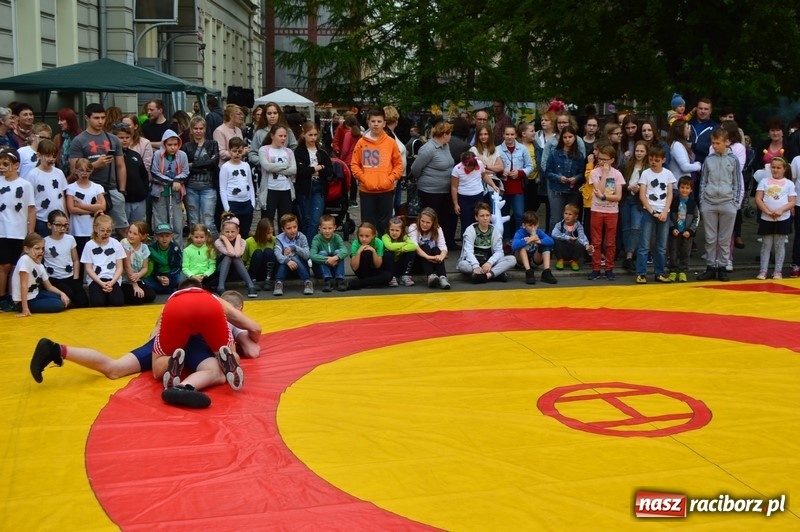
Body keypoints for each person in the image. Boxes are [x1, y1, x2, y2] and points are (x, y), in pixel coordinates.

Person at [154, 280, 248, 391]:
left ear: (179, 290)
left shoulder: (173, 298)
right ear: (201, 288)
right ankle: (227, 358)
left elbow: (158, 326)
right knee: (230, 352)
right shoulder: (211, 297)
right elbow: (253, 327)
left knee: (157, 366)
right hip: (210, 306)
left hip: (177, 308)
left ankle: (170, 361)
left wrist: (154, 343)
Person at [68, 103, 128, 238]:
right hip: (88, 189)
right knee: (91, 230)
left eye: (103, 117)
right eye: (96, 118)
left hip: (111, 188)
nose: (100, 121)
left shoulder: (113, 139)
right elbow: (74, 170)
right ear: (87, 118)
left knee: (122, 229)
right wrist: (95, 164)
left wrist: (122, 190)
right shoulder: (79, 140)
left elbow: (121, 165)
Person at [696, 129, 742, 282]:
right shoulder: (709, 160)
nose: (714, 146)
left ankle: (722, 267)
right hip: (709, 202)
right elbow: (703, 181)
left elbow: (737, 182)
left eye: (718, 143)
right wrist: (702, 201)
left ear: (726, 142)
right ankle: (710, 267)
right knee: (710, 238)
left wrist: (735, 203)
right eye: (713, 143)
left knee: (724, 238)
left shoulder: (733, 160)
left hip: (727, 202)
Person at [352, 108, 404, 237]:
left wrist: (390, 179)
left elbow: (398, 165)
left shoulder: (391, 143)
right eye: (373, 121)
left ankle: (383, 248)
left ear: (384, 123)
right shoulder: (361, 143)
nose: (376, 124)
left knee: (385, 225)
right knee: (368, 225)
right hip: (367, 190)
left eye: (379, 121)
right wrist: (364, 179)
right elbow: (355, 164)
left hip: (386, 190)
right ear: (368, 123)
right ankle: (368, 248)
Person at [0, 147, 36, 311]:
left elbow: (31, 209)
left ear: (16, 165)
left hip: (19, 231)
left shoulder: (25, 185)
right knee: (4, 266)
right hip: (2, 231)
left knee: (16, 266)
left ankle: (13, 297)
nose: (1, 167)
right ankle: (2, 297)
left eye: (5, 164)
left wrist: (30, 232)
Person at [635, 145, 676, 284]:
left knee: (662, 246)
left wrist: (664, 212)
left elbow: (670, 195)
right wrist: (652, 211)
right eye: (651, 159)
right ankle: (641, 273)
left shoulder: (668, 174)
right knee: (644, 245)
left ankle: (659, 272)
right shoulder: (645, 174)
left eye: (657, 160)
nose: (653, 162)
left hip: (664, 212)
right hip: (649, 212)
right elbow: (642, 196)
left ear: (663, 160)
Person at [587, 143, 624, 281]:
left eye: (605, 159)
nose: (602, 162)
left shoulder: (617, 174)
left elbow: (618, 196)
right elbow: (599, 190)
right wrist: (605, 174)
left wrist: (604, 197)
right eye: (600, 159)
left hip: (612, 212)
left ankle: (609, 268)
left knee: (610, 242)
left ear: (612, 160)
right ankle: (596, 268)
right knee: (596, 241)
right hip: (597, 209)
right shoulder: (594, 173)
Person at [755, 156, 796, 280]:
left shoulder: (789, 183)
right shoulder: (764, 181)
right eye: (773, 167)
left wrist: (781, 210)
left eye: (778, 168)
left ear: (784, 169)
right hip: (766, 218)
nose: (775, 170)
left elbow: (792, 201)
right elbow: (758, 198)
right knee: (766, 245)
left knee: (779, 245)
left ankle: (778, 271)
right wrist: (767, 211)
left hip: (782, 218)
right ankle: (763, 270)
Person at [10, 232, 70, 315]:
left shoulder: (40, 265)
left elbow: (49, 286)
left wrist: (62, 293)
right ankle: (22, 307)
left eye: (42, 248)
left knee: (62, 298)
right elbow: (24, 285)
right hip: (26, 300)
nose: (41, 251)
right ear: (26, 249)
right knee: (58, 304)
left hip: (36, 295)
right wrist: (25, 309)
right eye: (37, 248)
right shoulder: (25, 260)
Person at [457, 202, 517, 283]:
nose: (485, 218)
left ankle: (487, 275)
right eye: (482, 216)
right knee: (463, 265)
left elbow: (499, 252)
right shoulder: (470, 230)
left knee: (512, 259)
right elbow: (468, 251)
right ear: (476, 217)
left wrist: (489, 263)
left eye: (487, 215)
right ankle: (496, 274)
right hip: (473, 263)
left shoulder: (495, 231)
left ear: (491, 217)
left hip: (490, 263)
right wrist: (476, 266)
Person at [294, 121, 333, 241]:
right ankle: (304, 245)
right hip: (304, 188)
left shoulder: (322, 151)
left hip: (319, 187)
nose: (313, 138)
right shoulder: (299, 151)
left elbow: (329, 170)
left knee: (315, 220)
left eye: (315, 135)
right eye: (310, 135)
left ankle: (310, 246)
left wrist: (314, 171)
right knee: (305, 218)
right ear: (304, 135)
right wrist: (317, 167)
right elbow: (301, 171)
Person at [150, 130, 188, 246]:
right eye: (169, 144)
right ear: (164, 144)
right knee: (160, 223)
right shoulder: (157, 154)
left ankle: (177, 249)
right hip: (160, 193)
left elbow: (185, 172)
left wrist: (177, 180)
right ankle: (160, 248)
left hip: (176, 194)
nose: (173, 147)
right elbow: (154, 172)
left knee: (177, 224)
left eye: (175, 144)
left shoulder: (182, 155)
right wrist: (172, 181)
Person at [182, 116, 220, 235]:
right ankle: (194, 245)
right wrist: (205, 164)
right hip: (191, 188)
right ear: (191, 130)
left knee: (208, 222)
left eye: (201, 128)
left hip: (208, 188)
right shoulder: (186, 146)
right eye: (195, 128)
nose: (198, 131)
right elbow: (185, 167)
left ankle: (213, 246)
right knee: (193, 222)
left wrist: (194, 164)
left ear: (205, 129)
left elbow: (214, 163)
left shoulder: (212, 144)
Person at [43, 209, 88, 308]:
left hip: (69, 276)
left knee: (83, 302)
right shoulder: (45, 242)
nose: (62, 228)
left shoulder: (70, 239)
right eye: (58, 225)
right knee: (69, 293)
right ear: (50, 225)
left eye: (65, 225)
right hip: (54, 278)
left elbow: (75, 260)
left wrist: (76, 277)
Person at [65, 157, 106, 265]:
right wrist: (92, 210)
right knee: (79, 257)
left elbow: (102, 206)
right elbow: (72, 209)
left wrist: (81, 206)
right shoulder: (71, 188)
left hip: (92, 228)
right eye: (81, 170)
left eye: (87, 171)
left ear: (91, 171)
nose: (84, 173)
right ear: (75, 171)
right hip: (77, 229)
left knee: (94, 257)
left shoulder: (97, 187)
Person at [544, 125, 585, 230]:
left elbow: (582, 173)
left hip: (573, 191)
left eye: (570, 137)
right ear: (561, 138)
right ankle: (553, 240)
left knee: (571, 219)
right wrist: (558, 178)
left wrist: (576, 178)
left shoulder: (579, 155)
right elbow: (548, 172)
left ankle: (569, 239)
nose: (567, 139)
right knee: (556, 219)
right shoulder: (554, 154)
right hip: (557, 190)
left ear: (575, 138)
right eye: (565, 137)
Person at [80, 213, 125, 306]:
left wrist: (112, 282)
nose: (105, 233)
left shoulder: (116, 243)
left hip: (112, 278)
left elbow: (120, 267)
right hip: (96, 279)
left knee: (118, 301)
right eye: (102, 230)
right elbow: (88, 268)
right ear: (96, 229)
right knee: (98, 302)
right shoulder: (89, 245)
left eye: (108, 231)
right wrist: (101, 283)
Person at [497, 124, 535, 235]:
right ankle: (505, 239)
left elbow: (530, 166)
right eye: (507, 134)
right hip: (502, 186)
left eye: (512, 134)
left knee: (519, 214)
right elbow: (493, 167)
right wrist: (501, 171)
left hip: (517, 186)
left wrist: (519, 173)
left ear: (516, 135)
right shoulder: (497, 149)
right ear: (503, 135)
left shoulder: (522, 149)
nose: (509, 137)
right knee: (503, 215)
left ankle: (519, 237)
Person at [25, 138, 67, 236]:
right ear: (39, 155)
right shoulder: (33, 174)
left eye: (54, 156)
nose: (51, 159)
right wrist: (31, 228)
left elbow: (62, 196)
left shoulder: (59, 173)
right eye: (48, 156)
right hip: (41, 219)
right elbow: (30, 201)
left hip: (59, 219)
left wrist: (66, 217)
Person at [257, 124, 296, 228]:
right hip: (270, 190)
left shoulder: (288, 151)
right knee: (267, 221)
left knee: (285, 221)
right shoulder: (264, 150)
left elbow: (293, 170)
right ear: (272, 136)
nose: (283, 138)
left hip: (286, 190)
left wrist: (275, 168)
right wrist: (285, 165)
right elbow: (267, 166)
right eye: (280, 136)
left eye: (285, 136)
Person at [111, 124, 149, 227]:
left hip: (139, 199)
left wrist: (144, 191)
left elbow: (144, 175)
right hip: (122, 199)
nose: (125, 140)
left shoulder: (135, 155)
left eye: (127, 137)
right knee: (122, 228)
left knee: (139, 227)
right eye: (121, 138)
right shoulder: (111, 156)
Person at [451, 152, 497, 238]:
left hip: (478, 196)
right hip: (464, 198)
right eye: (469, 167)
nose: (471, 169)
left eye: (473, 167)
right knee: (466, 222)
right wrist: (456, 204)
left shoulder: (480, 164)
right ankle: (466, 241)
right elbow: (454, 187)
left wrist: (493, 185)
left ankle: (480, 240)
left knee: (480, 219)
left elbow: (484, 175)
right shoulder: (457, 169)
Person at [620, 141, 648, 272]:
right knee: (626, 228)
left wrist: (640, 188)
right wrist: (628, 187)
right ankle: (628, 255)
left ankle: (630, 256)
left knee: (636, 227)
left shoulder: (648, 168)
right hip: (626, 198)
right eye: (637, 151)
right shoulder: (626, 165)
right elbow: (619, 182)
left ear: (646, 152)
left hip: (638, 200)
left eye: (642, 151)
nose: (639, 153)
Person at [219, 137, 256, 237]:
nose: (237, 154)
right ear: (229, 151)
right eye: (234, 151)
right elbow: (222, 188)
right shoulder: (226, 167)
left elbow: (250, 185)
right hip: (232, 203)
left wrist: (252, 204)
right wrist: (227, 208)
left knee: (245, 231)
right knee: (232, 232)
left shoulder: (246, 165)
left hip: (246, 203)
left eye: (240, 151)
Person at [215, 212, 258, 297]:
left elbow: (237, 254)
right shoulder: (218, 242)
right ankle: (220, 287)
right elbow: (231, 253)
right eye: (227, 232)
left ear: (238, 231)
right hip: (221, 271)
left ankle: (250, 285)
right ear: (222, 231)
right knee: (228, 257)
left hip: (236, 270)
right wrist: (224, 239)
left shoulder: (242, 241)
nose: (230, 234)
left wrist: (238, 238)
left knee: (236, 258)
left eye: (233, 231)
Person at [408, 207, 450, 289]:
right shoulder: (413, 227)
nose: (424, 224)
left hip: (432, 261)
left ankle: (443, 277)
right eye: (422, 221)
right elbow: (415, 246)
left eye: (428, 222)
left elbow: (443, 246)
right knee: (425, 247)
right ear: (419, 219)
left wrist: (442, 256)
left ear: (433, 223)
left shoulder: (437, 229)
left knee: (436, 249)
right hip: (418, 262)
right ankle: (430, 276)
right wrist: (427, 257)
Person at [668, 176, 700, 282]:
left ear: (691, 190)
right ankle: (672, 270)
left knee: (685, 252)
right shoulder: (673, 202)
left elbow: (696, 218)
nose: (684, 190)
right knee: (673, 251)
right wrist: (672, 228)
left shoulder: (693, 204)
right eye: (682, 187)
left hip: (687, 234)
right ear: (678, 188)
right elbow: (668, 216)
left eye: (687, 188)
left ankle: (683, 271)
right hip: (675, 232)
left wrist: (690, 231)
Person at [511, 210, 556, 285]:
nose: (533, 228)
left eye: (535, 225)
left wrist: (538, 241)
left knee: (545, 246)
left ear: (538, 224)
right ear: (524, 225)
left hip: (534, 260)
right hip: (521, 262)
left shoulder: (539, 232)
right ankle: (528, 272)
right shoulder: (520, 232)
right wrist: (528, 241)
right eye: (530, 225)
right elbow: (514, 245)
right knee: (521, 247)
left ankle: (546, 272)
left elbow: (551, 241)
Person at [273, 213, 313, 296]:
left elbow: (307, 255)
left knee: (294, 258)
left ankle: (307, 282)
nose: (293, 230)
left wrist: (294, 248)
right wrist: (287, 260)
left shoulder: (302, 237)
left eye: (295, 227)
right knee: (288, 259)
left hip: (302, 269)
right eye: (289, 228)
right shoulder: (279, 239)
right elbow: (277, 253)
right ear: (283, 229)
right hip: (286, 270)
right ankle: (279, 283)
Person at [347, 222, 393, 290]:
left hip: (373, 269)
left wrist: (373, 251)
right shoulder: (355, 243)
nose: (364, 239)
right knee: (366, 253)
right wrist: (359, 252)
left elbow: (377, 266)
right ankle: (369, 281)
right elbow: (354, 267)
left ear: (373, 236)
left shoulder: (378, 242)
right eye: (361, 236)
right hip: (361, 270)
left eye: (367, 236)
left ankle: (360, 283)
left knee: (388, 276)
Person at [120, 220, 156, 305]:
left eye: (135, 234)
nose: (131, 235)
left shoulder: (144, 248)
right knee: (137, 298)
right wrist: (135, 286)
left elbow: (145, 268)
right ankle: (121, 294)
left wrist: (138, 275)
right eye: (130, 232)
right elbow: (127, 266)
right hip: (124, 280)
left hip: (136, 278)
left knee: (150, 296)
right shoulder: (125, 243)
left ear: (143, 236)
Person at [310, 214, 348, 292]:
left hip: (334, 267)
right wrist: (327, 260)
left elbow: (345, 251)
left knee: (338, 252)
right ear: (319, 228)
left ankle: (340, 280)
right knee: (322, 253)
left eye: (330, 228)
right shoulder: (316, 239)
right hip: (321, 270)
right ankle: (327, 281)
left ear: (334, 227)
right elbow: (312, 255)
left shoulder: (337, 237)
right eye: (324, 228)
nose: (327, 231)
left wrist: (335, 258)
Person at [551, 203, 592, 272]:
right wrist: (568, 237)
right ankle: (560, 260)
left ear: (576, 216)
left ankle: (574, 261)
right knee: (556, 240)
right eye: (566, 213)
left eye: (570, 214)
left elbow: (582, 236)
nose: (567, 216)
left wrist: (586, 245)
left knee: (580, 243)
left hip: (573, 249)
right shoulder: (559, 225)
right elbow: (554, 234)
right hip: (562, 249)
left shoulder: (579, 226)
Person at [144, 223, 182, 295]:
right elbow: (150, 267)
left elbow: (178, 266)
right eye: (161, 236)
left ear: (171, 236)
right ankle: (169, 290)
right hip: (157, 275)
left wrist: (168, 277)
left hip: (170, 274)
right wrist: (158, 277)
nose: (164, 239)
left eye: (167, 236)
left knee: (180, 279)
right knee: (146, 281)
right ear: (156, 236)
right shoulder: (151, 248)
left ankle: (162, 289)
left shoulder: (175, 248)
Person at [381, 215, 417, 287]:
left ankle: (405, 276)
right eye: (392, 230)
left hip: (399, 265)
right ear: (388, 229)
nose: (394, 233)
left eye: (397, 230)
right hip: (388, 267)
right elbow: (390, 246)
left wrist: (401, 249)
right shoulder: (385, 237)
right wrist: (403, 244)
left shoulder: (404, 237)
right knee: (388, 253)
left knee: (411, 252)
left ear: (402, 231)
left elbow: (413, 246)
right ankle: (391, 278)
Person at [244, 217, 277, 290]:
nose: (271, 235)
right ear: (261, 232)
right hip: (254, 271)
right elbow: (244, 260)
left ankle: (268, 280)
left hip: (268, 271)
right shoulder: (249, 241)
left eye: (272, 232)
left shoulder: (275, 240)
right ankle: (252, 280)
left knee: (268, 251)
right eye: (268, 233)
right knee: (258, 253)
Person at [182, 223, 217, 290]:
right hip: (192, 277)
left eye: (201, 237)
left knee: (213, 281)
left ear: (206, 237)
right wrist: (193, 276)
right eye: (196, 237)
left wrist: (205, 274)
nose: (199, 240)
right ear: (192, 236)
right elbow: (185, 268)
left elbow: (212, 266)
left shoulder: (210, 249)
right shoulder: (187, 250)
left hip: (206, 277)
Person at [214, 104, 249, 168]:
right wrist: (242, 152)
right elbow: (221, 153)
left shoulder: (238, 130)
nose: (242, 116)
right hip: (226, 167)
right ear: (231, 115)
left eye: (242, 114)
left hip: (239, 166)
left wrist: (245, 149)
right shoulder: (219, 131)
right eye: (239, 114)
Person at [689, 98, 718, 166]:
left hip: (706, 166)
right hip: (686, 166)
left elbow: (715, 147)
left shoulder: (716, 128)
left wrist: (694, 145)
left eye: (706, 109)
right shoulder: (688, 125)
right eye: (700, 108)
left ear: (710, 111)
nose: (703, 111)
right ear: (696, 109)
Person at [54, 108, 82, 177]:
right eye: (58, 120)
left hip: (78, 177)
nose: (59, 123)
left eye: (62, 120)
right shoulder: (58, 138)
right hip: (60, 176)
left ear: (70, 121)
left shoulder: (81, 137)